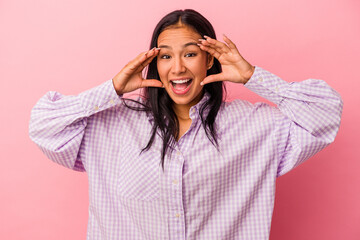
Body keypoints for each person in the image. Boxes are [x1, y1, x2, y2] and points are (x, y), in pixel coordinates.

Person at [29, 9, 343, 240]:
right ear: (154, 64)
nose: (177, 67)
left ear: (209, 60)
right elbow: (43, 127)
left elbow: (325, 114)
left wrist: (252, 76)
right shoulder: (111, 124)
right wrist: (111, 89)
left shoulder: (254, 126)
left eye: (190, 54)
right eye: (165, 57)